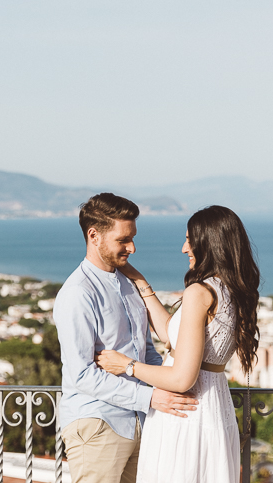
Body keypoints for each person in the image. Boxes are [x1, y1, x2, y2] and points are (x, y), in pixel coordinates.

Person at [95, 205, 260, 483]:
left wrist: (127, 366)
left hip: (185, 413)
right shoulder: (232, 290)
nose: (185, 248)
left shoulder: (200, 291)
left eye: (189, 240)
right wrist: (139, 280)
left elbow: (182, 378)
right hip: (214, 410)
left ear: (208, 243)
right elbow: (174, 337)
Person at [54, 193, 199, 483]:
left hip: (140, 420)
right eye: (123, 240)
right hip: (97, 424)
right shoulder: (77, 294)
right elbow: (82, 374)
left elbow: (145, 350)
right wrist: (152, 397)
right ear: (94, 236)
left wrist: (171, 384)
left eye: (132, 238)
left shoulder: (129, 285)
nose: (132, 247)